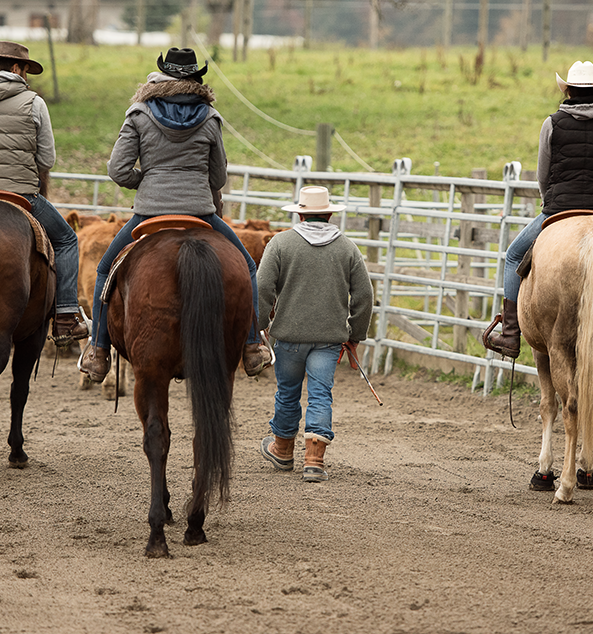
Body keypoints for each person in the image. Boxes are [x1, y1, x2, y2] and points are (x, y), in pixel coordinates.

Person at [78, 47, 272, 381]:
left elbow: (118, 170)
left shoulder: (138, 114)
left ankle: (98, 349)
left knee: (106, 269)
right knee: (247, 267)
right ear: (196, 79)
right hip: (200, 210)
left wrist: (148, 181)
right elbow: (218, 177)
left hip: (150, 211)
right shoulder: (210, 118)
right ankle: (253, 346)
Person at [483, 60, 593, 361]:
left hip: (559, 209)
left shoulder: (551, 123)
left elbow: (543, 175)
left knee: (514, 254)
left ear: (568, 90)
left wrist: (550, 204)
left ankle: (511, 334)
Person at [0, 40, 89, 346]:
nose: (27, 77)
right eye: (26, 70)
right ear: (17, 69)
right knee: (67, 240)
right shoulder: (33, 102)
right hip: (20, 194)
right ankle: (66, 316)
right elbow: (47, 160)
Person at [257, 186, 374, 483]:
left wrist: (258, 324)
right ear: (330, 213)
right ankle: (314, 459)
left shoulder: (280, 243)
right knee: (321, 394)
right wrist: (355, 334)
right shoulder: (347, 247)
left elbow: (262, 288)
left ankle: (282, 450)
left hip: (288, 337)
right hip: (328, 339)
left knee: (287, 392)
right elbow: (364, 295)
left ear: (299, 212)